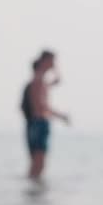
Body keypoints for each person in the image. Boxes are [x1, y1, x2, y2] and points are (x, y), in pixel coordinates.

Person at [21, 50, 70, 180]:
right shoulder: (38, 82)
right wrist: (61, 116)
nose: (54, 63)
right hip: (39, 124)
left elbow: (58, 80)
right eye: (52, 60)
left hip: (35, 124)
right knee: (38, 163)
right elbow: (42, 106)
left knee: (37, 163)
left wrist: (55, 68)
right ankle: (34, 193)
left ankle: (33, 193)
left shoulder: (41, 81)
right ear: (44, 61)